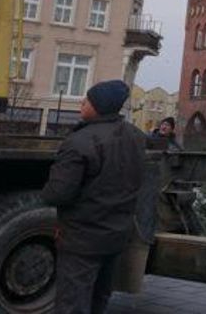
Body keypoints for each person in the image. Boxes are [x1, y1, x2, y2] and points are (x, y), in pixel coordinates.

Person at [41, 80, 146, 314]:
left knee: (73, 301)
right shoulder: (136, 137)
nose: (81, 103)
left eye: (86, 100)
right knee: (100, 295)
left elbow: (59, 193)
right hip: (117, 233)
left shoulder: (80, 141)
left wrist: (44, 193)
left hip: (82, 237)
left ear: (98, 106)